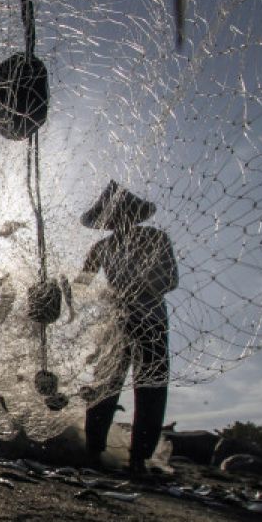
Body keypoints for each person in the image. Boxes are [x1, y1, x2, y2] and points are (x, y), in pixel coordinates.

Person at [74, 181, 178, 474]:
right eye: (113, 217)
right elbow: (81, 285)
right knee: (105, 385)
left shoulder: (156, 238)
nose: (119, 221)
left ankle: (139, 459)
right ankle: (94, 452)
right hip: (115, 322)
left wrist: (136, 289)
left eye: (124, 214)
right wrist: (53, 293)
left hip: (151, 321)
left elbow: (171, 279)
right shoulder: (100, 248)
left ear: (134, 215)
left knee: (150, 386)